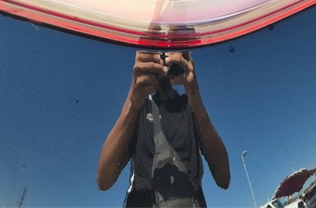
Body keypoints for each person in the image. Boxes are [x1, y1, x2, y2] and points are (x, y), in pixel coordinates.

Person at [97, 51, 230, 207]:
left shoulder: (191, 107)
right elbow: (104, 180)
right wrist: (133, 100)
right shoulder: (139, 108)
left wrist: (195, 96)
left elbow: (223, 178)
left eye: (171, 47)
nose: (165, 58)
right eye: (159, 49)